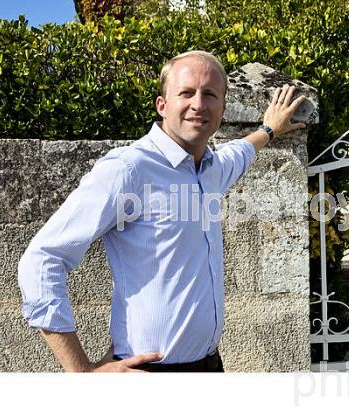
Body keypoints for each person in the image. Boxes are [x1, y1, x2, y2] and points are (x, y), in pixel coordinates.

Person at [18, 50, 306, 372]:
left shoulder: (212, 167)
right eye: (186, 92)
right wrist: (81, 373)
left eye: (210, 94)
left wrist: (269, 129)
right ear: (162, 105)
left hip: (211, 368)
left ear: (223, 110)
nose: (198, 104)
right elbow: (42, 259)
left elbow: (240, 151)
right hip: (149, 376)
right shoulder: (130, 169)